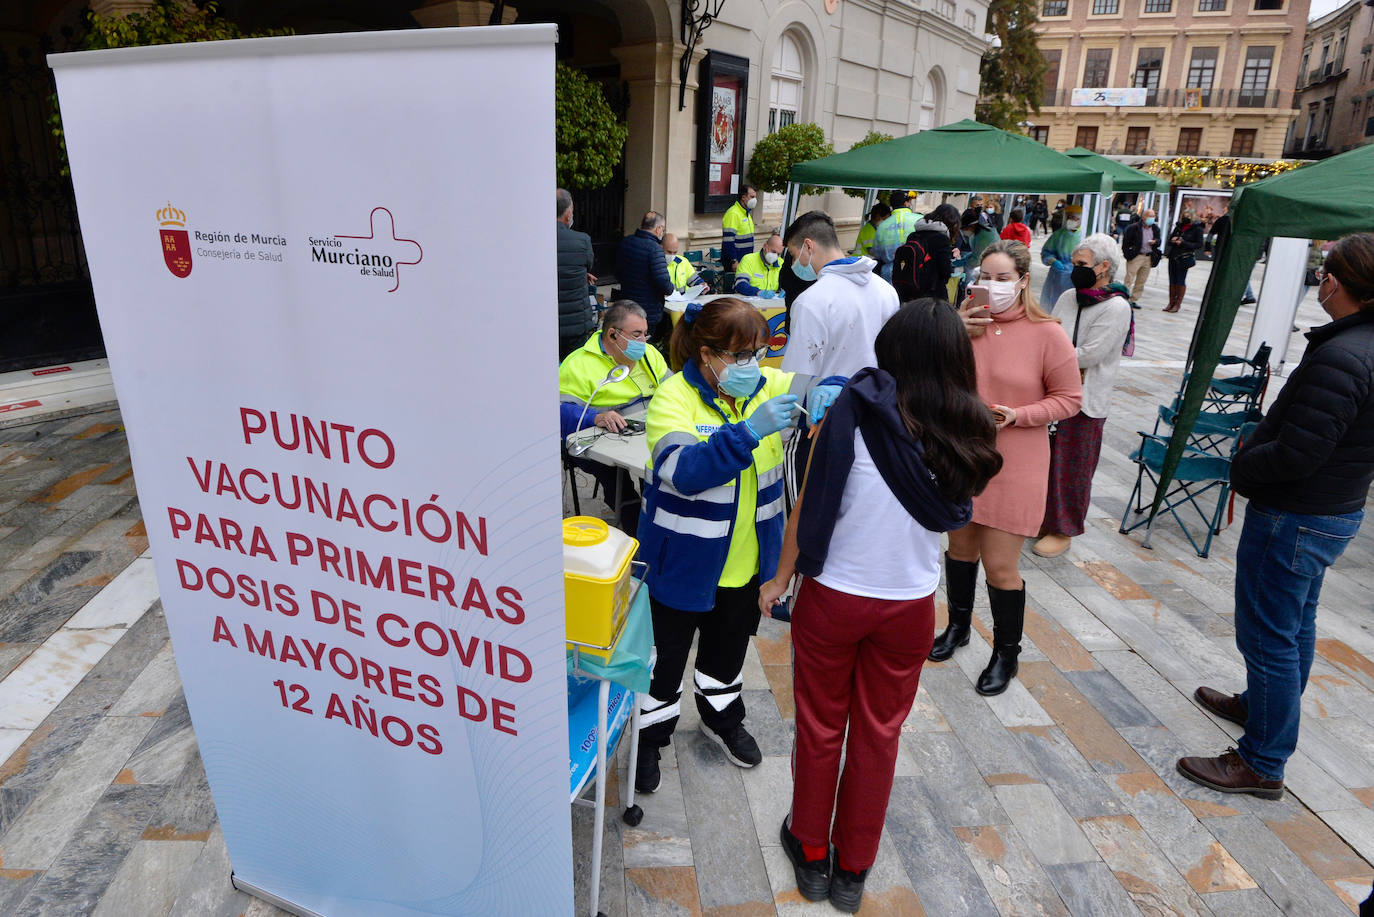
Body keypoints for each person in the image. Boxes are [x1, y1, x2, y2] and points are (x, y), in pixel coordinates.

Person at [760, 301, 1001, 912]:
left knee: (819, 727)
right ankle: (854, 869)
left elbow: (809, 506)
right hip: (910, 606)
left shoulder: (854, 411)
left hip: (836, 596)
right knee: (879, 736)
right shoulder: (971, 426)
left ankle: (812, 853)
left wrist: (780, 578)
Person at [1178, 232, 1374, 801]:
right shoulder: (1354, 344)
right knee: (1293, 627)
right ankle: (1262, 710)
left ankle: (1263, 761)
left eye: (1325, 272)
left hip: (1297, 515)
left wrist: (1243, 463)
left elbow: (1299, 452)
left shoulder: (1344, 353)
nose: (1320, 280)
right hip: (1328, 512)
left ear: (1336, 281)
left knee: (1270, 638)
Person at [634, 297, 843, 792]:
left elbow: (837, 383)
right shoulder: (672, 399)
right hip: (681, 566)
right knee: (663, 663)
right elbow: (685, 472)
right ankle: (650, 736)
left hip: (746, 565)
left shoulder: (766, 383)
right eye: (739, 355)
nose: (751, 364)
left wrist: (834, 389)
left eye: (756, 352)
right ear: (707, 354)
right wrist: (749, 431)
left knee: (726, 657)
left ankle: (721, 718)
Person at [936, 241, 1082, 695]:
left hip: (1017, 461)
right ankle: (958, 627)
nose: (992, 286)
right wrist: (951, 329)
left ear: (1022, 282)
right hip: (963, 456)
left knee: (1001, 566)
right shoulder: (965, 327)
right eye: (985, 276)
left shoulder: (1047, 334)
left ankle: (1006, 652)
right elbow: (935, 377)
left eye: (1002, 278)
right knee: (960, 549)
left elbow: (1071, 399)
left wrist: (1021, 415)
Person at [1033, 233, 1132, 558]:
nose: (1076, 270)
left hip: (1086, 402)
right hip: (1054, 394)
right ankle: (1041, 519)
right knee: (1045, 463)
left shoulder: (1117, 306)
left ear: (1104, 267)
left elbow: (1090, 354)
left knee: (1073, 469)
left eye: (1081, 265)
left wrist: (1053, 355)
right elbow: (1050, 333)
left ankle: (1064, 528)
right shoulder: (1069, 296)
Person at [559, 301, 671, 535]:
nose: (643, 342)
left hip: (646, 433)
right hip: (599, 441)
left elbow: (673, 388)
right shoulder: (578, 364)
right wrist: (595, 417)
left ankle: (656, 525)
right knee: (619, 485)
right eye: (637, 334)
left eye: (645, 334)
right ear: (612, 334)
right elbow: (559, 411)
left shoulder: (649, 354)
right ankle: (637, 536)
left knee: (654, 474)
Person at [617, 211, 675, 341]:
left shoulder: (626, 242)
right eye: (663, 229)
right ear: (658, 228)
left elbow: (618, 272)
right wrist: (670, 289)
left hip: (626, 305)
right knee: (645, 345)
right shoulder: (655, 249)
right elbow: (663, 281)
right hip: (648, 310)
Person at [556, 188, 597, 361]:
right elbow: (588, 264)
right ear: (567, 214)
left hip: (545, 323)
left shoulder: (533, 239)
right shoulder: (581, 240)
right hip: (576, 324)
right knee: (573, 371)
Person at [893, 203, 957, 302]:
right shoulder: (942, 239)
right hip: (932, 294)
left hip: (909, 290)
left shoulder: (913, 235)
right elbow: (945, 271)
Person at [1040, 204, 1083, 310]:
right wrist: (1053, 261)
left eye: (1074, 218)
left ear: (1080, 220)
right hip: (1057, 276)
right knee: (1052, 306)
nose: (1070, 220)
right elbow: (1046, 252)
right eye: (1069, 217)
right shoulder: (1059, 235)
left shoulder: (1085, 236)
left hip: (1077, 278)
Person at [872, 191, 920, 282]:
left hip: (890, 276)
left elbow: (877, 254)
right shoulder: (920, 220)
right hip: (916, 273)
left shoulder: (882, 226)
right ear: (906, 203)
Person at [1163, 209, 1204, 313]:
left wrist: (1184, 243)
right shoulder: (1179, 227)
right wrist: (1173, 240)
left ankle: (1177, 304)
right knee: (1172, 280)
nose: (1186, 218)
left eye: (1188, 216)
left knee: (1180, 279)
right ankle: (1171, 302)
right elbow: (1169, 240)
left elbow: (1199, 244)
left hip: (1184, 257)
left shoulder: (1197, 228)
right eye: (1184, 216)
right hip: (1173, 256)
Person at [1121, 208, 1162, 304]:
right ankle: (1123, 298)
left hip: (1148, 257)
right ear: (1143, 217)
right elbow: (1126, 242)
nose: (1152, 218)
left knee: (1141, 281)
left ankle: (1134, 300)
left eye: (1153, 216)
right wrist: (1128, 255)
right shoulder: (1134, 227)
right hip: (1136, 256)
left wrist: (1156, 242)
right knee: (1129, 279)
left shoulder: (1155, 229)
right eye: (1149, 216)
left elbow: (1159, 240)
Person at [733, 230, 784, 297]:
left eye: (778, 254)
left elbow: (787, 283)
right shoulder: (748, 259)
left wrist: (787, 290)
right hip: (748, 302)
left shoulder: (781, 263)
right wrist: (758, 292)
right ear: (765, 246)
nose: (776, 256)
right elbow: (740, 284)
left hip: (772, 304)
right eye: (773, 252)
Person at [721, 184, 757, 271]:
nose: (755, 200)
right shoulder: (733, 213)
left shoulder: (746, 213)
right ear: (743, 197)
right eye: (752, 197)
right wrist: (734, 261)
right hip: (735, 262)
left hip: (745, 260)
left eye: (755, 197)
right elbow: (728, 241)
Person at [960, 208, 1000, 280]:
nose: (964, 231)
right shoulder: (982, 233)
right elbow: (976, 253)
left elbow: (977, 260)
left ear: (972, 226)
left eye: (965, 229)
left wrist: (965, 262)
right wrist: (965, 258)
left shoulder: (984, 237)